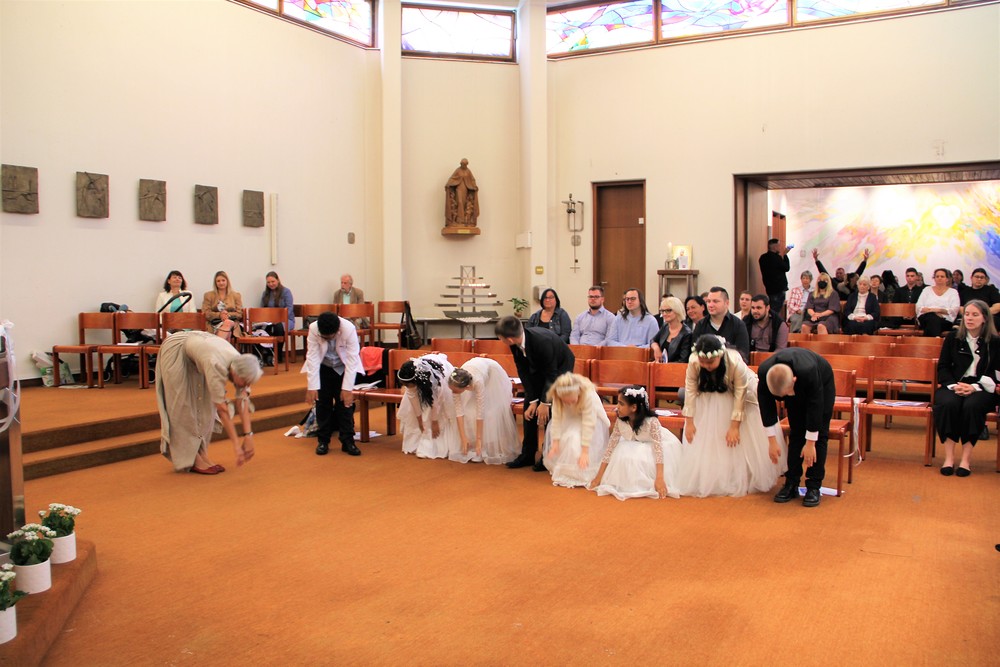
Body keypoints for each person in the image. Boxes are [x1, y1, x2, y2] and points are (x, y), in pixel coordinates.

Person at [674, 335, 784, 498]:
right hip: (709, 393)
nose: (706, 366)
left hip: (741, 393)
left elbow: (740, 394)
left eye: (710, 362)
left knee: (739, 435)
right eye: (703, 362)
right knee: (711, 433)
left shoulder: (734, 362)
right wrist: (689, 421)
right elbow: (690, 390)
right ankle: (713, 475)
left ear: (720, 356)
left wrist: (734, 427)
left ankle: (742, 474)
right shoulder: (694, 361)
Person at [155, 331, 263, 474]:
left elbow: (243, 401)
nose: (246, 385)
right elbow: (222, 410)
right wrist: (237, 446)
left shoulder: (243, 364)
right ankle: (193, 459)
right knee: (182, 404)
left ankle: (202, 453)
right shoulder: (216, 364)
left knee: (205, 404)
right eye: (245, 382)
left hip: (200, 347)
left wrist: (248, 436)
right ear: (236, 373)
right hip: (176, 348)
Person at [758, 347, 836, 508]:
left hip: (821, 384)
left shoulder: (809, 371)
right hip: (790, 385)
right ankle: (791, 482)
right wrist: (772, 442)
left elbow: (815, 408)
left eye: (785, 395)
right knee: (796, 433)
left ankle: (813, 485)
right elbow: (766, 408)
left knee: (819, 435)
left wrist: (810, 444)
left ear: (794, 380)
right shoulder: (764, 373)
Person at [495, 316, 575, 470]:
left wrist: (545, 403)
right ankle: (528, 454)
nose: (500, 341)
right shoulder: (514, 344)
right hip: (538, 371)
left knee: (551, 412)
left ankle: (548, 456)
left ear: (509, 339)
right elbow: (523, 371)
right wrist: (532, 400)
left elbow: (552, 374)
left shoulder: (542, 341)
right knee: (529, 410)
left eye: (500, 338)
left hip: (560, 370)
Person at [933, 300, 1000, 477]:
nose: (969, 318)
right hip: (954, 384)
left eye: (975, 315)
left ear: (985, 318)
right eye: (967, 314)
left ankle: (965, 460)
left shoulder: (995, 342)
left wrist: (975, 387)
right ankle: (949, 458)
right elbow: (943, 367)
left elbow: (997, 373)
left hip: (982, 387)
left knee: (972, 406)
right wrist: (954, 386)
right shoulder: (953, 338)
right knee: (947, 404)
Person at [588, 385, 682, 500]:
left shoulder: (651, 422)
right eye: (618, 403)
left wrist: (660, 478)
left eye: (621, 404)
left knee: (642, 457)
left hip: (657, 446)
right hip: (636, 443)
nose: (617, 407)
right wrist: (599, 477)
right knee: (623, 451)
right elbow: (610, 448)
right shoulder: (621, 421)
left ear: (633, 407)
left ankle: (649, 481)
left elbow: (658, 451)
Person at [303, 311, 364, 457]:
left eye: (330, 337)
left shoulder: (348, 328)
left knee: (345, 405)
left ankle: (348, 441)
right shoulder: (313, 328)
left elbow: (352, 359)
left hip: (343, 368)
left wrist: (347, 388)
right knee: (322, 404)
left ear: (337, 331)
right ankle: (323, 441)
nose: (327, 340)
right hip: (324, 367)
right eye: (324, 337)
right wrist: (312, 386)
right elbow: (312, 357)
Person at [542, 373, 610, 488]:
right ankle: (568, 472)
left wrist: (585, 452)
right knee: (565, 438)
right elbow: (557, 420)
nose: (569, 404)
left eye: (572, 401)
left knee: (574, 437)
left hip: (589, 419)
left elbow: (588, 423)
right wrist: (555, 443)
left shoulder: (588, 395)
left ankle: (580, 472)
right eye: (566, 402)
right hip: (569, 416)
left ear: (579, 393)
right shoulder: (558, 396)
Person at [448, 358, 519, 464]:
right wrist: (463, 438)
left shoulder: (477, 382)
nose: (453, 392)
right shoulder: (455, 382)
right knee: (468, 411)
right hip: (470, 376)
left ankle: (485, 446)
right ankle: (471, 446)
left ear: (466, 387)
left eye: (455, 391)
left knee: (489, 412)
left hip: (491, 376)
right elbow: (459, 410)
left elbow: (480, 411)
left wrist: (479, 439)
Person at [397, 353, 459, 460]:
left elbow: (436, 403)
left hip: (441, 378)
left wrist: (434, 422)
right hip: (422, 378)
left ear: (416, 381)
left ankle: (434, 445)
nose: (407, 387)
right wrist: (419, 420)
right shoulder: (410, 376)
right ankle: (420, 441)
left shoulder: (436, 382)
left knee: (433, 411)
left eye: (408, 385)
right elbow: (412, 397)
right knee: (418, 412)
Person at [692, 287, 750, 363]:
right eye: (708, 301)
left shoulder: (738, 325)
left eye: (715, 301)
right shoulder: (701, 325)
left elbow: (743, 354)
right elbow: (694, 353)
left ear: (727, 303)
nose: (710, 305)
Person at [915, 268, 960, 337]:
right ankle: (936, 339)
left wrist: (937, 310)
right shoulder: (927, 290)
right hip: (926, 318)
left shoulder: (953, 292)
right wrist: (935, 312)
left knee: (933, 321)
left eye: (942, 276)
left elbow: (954, 309)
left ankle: (931, 341)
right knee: (932, 318)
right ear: (934, 278)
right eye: (937, 276)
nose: (939, 278)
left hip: (945, 320)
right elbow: (919, 306)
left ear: (947, 279)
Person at [201, 270, 243, 341]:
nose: (221, 283)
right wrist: (219, 315)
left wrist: (227, 315)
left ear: (227, 281)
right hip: (213, 324)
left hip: (232, 324)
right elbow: (206, 313)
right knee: (227, 330)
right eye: (218, 281)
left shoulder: (236, 295)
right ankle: (223, 347)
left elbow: (239, 314)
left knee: (228, 323)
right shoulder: (208, 295)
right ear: (215, 283)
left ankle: (218, 345)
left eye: (223, 280)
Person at [651, 296, 692, 363]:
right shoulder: (665, 327)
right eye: (662, 311)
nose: (664, 314)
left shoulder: (687, 333)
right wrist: (656, 348)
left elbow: (683, 361)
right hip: (661, 366)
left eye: (668, 311)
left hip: (675, 368)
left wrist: (663, 366)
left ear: (677, 311)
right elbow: (653, 340)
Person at [758, 238, 791, 317]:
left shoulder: (762, 258)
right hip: (779, 288)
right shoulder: (776, 258)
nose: (780, 247)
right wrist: (785, 255)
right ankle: (774, 324)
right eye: (779, 245)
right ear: (774, 247)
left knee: (772, 309)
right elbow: (786, 268)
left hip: (769, 288)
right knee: (776, 311)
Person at [444, 158, 479, 227]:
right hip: (458, 188)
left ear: (467, 164)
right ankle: (459, 220)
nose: (463, 165)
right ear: (461, 164)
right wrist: (448, 184)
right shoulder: (458, 170)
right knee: (459, 202)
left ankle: (464, 221)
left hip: (465, 189)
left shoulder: (468, 171)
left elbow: (472, 180)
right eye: (462, 164)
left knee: (464, 203)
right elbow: (452, 178)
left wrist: (474, 186)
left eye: (465, 164)